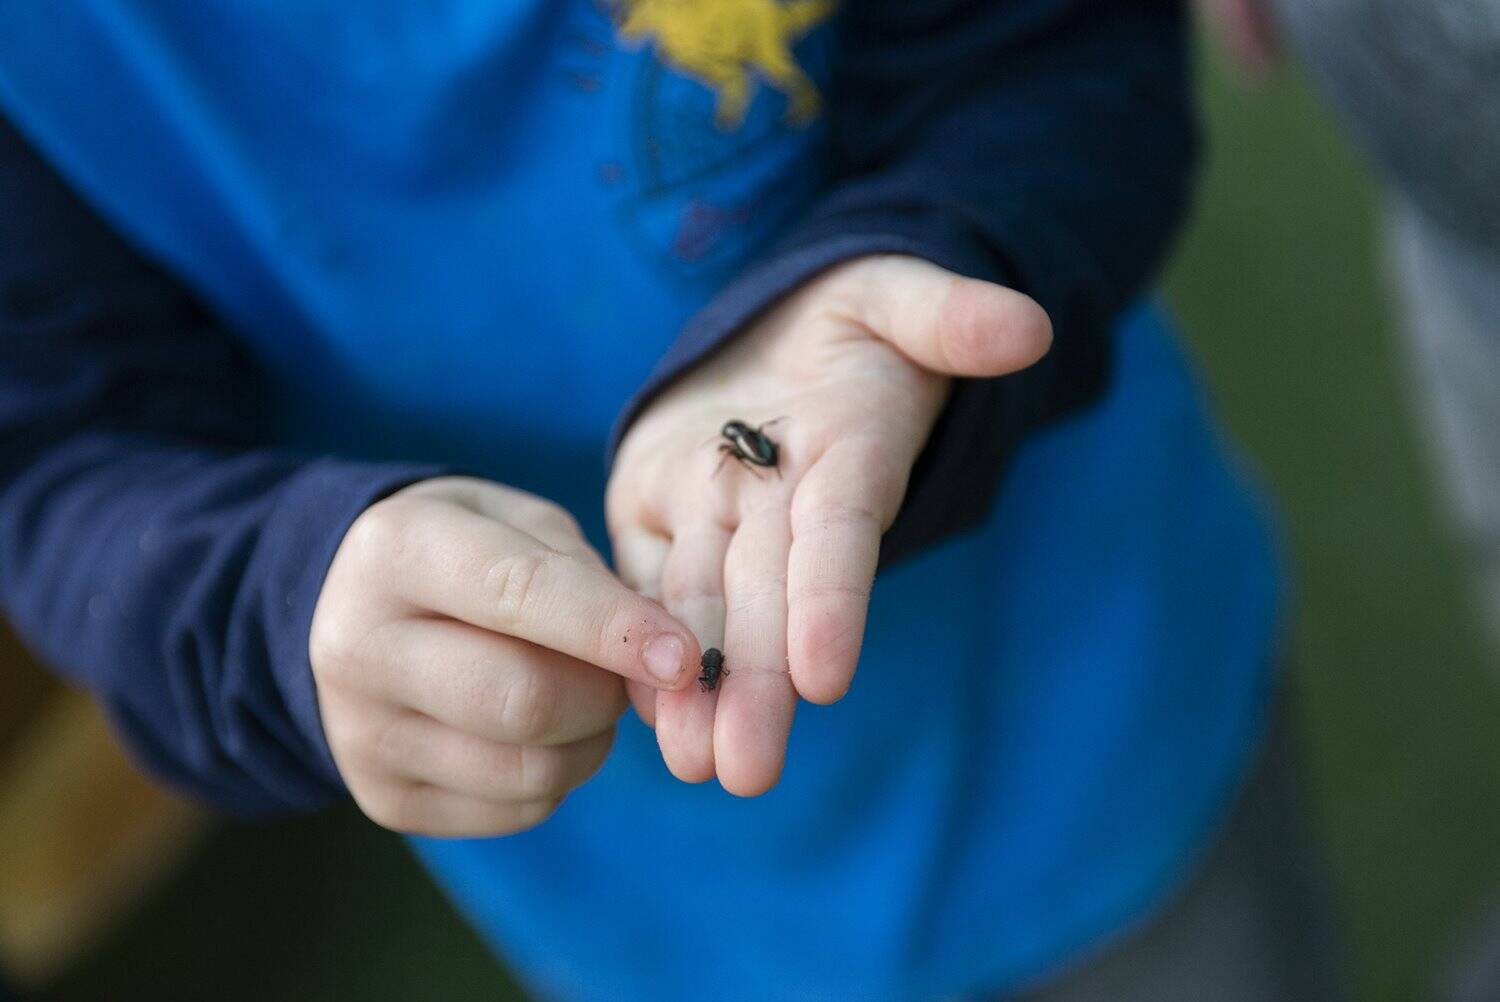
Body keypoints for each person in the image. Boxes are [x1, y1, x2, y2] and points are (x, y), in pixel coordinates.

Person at [0, 2, 1335, 998]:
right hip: (660, 909)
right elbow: (59, 465)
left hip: (1094, 712)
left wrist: (900, 269)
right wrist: (279, 598)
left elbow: (1054, 55)